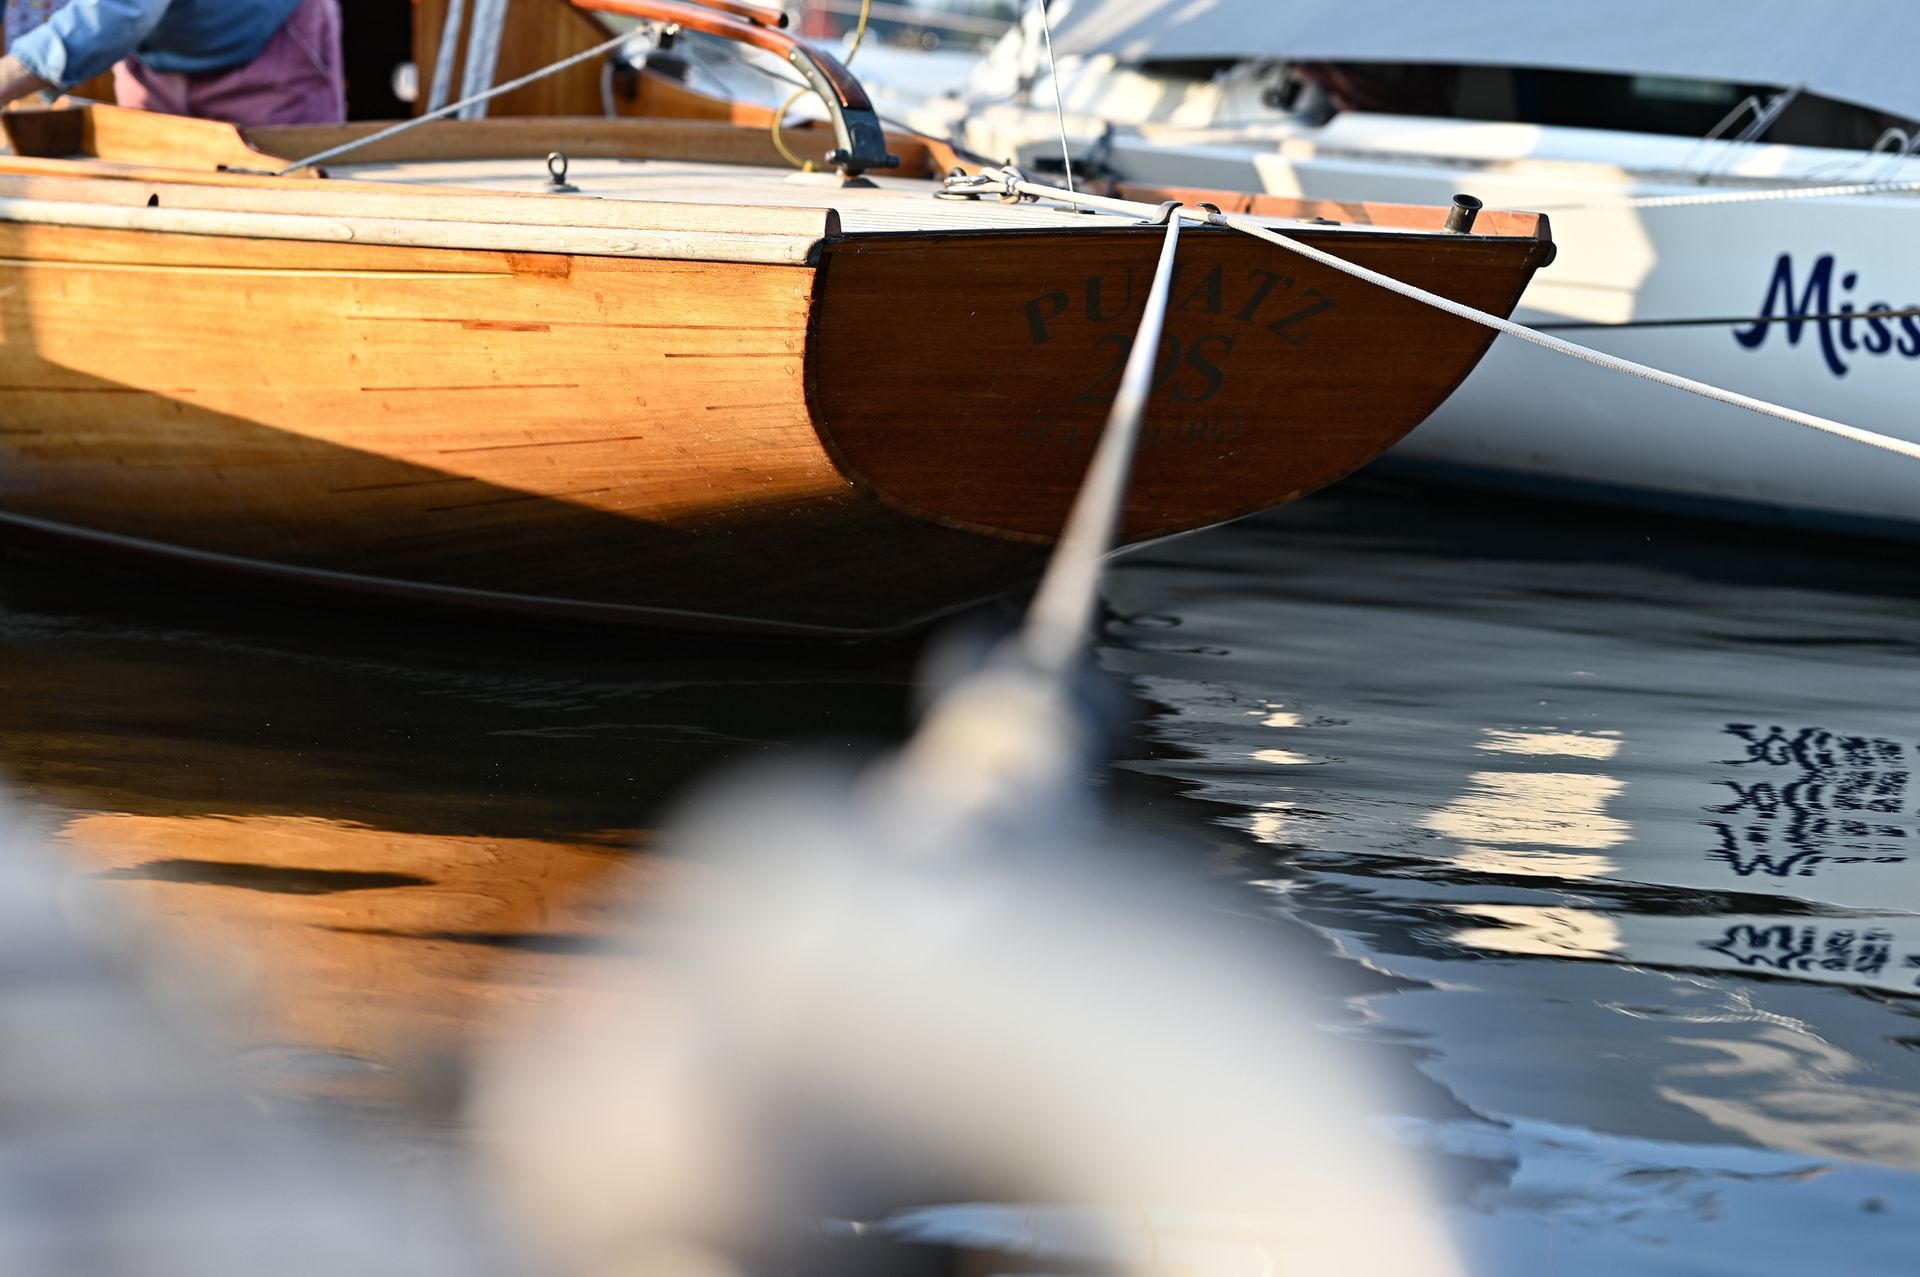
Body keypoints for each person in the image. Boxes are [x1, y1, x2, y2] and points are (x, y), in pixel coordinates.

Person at [0, 0, 344, 127]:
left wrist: (10, 76)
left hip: (268, 42)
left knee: (283, 198)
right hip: (152, 55)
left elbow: (121, 9)